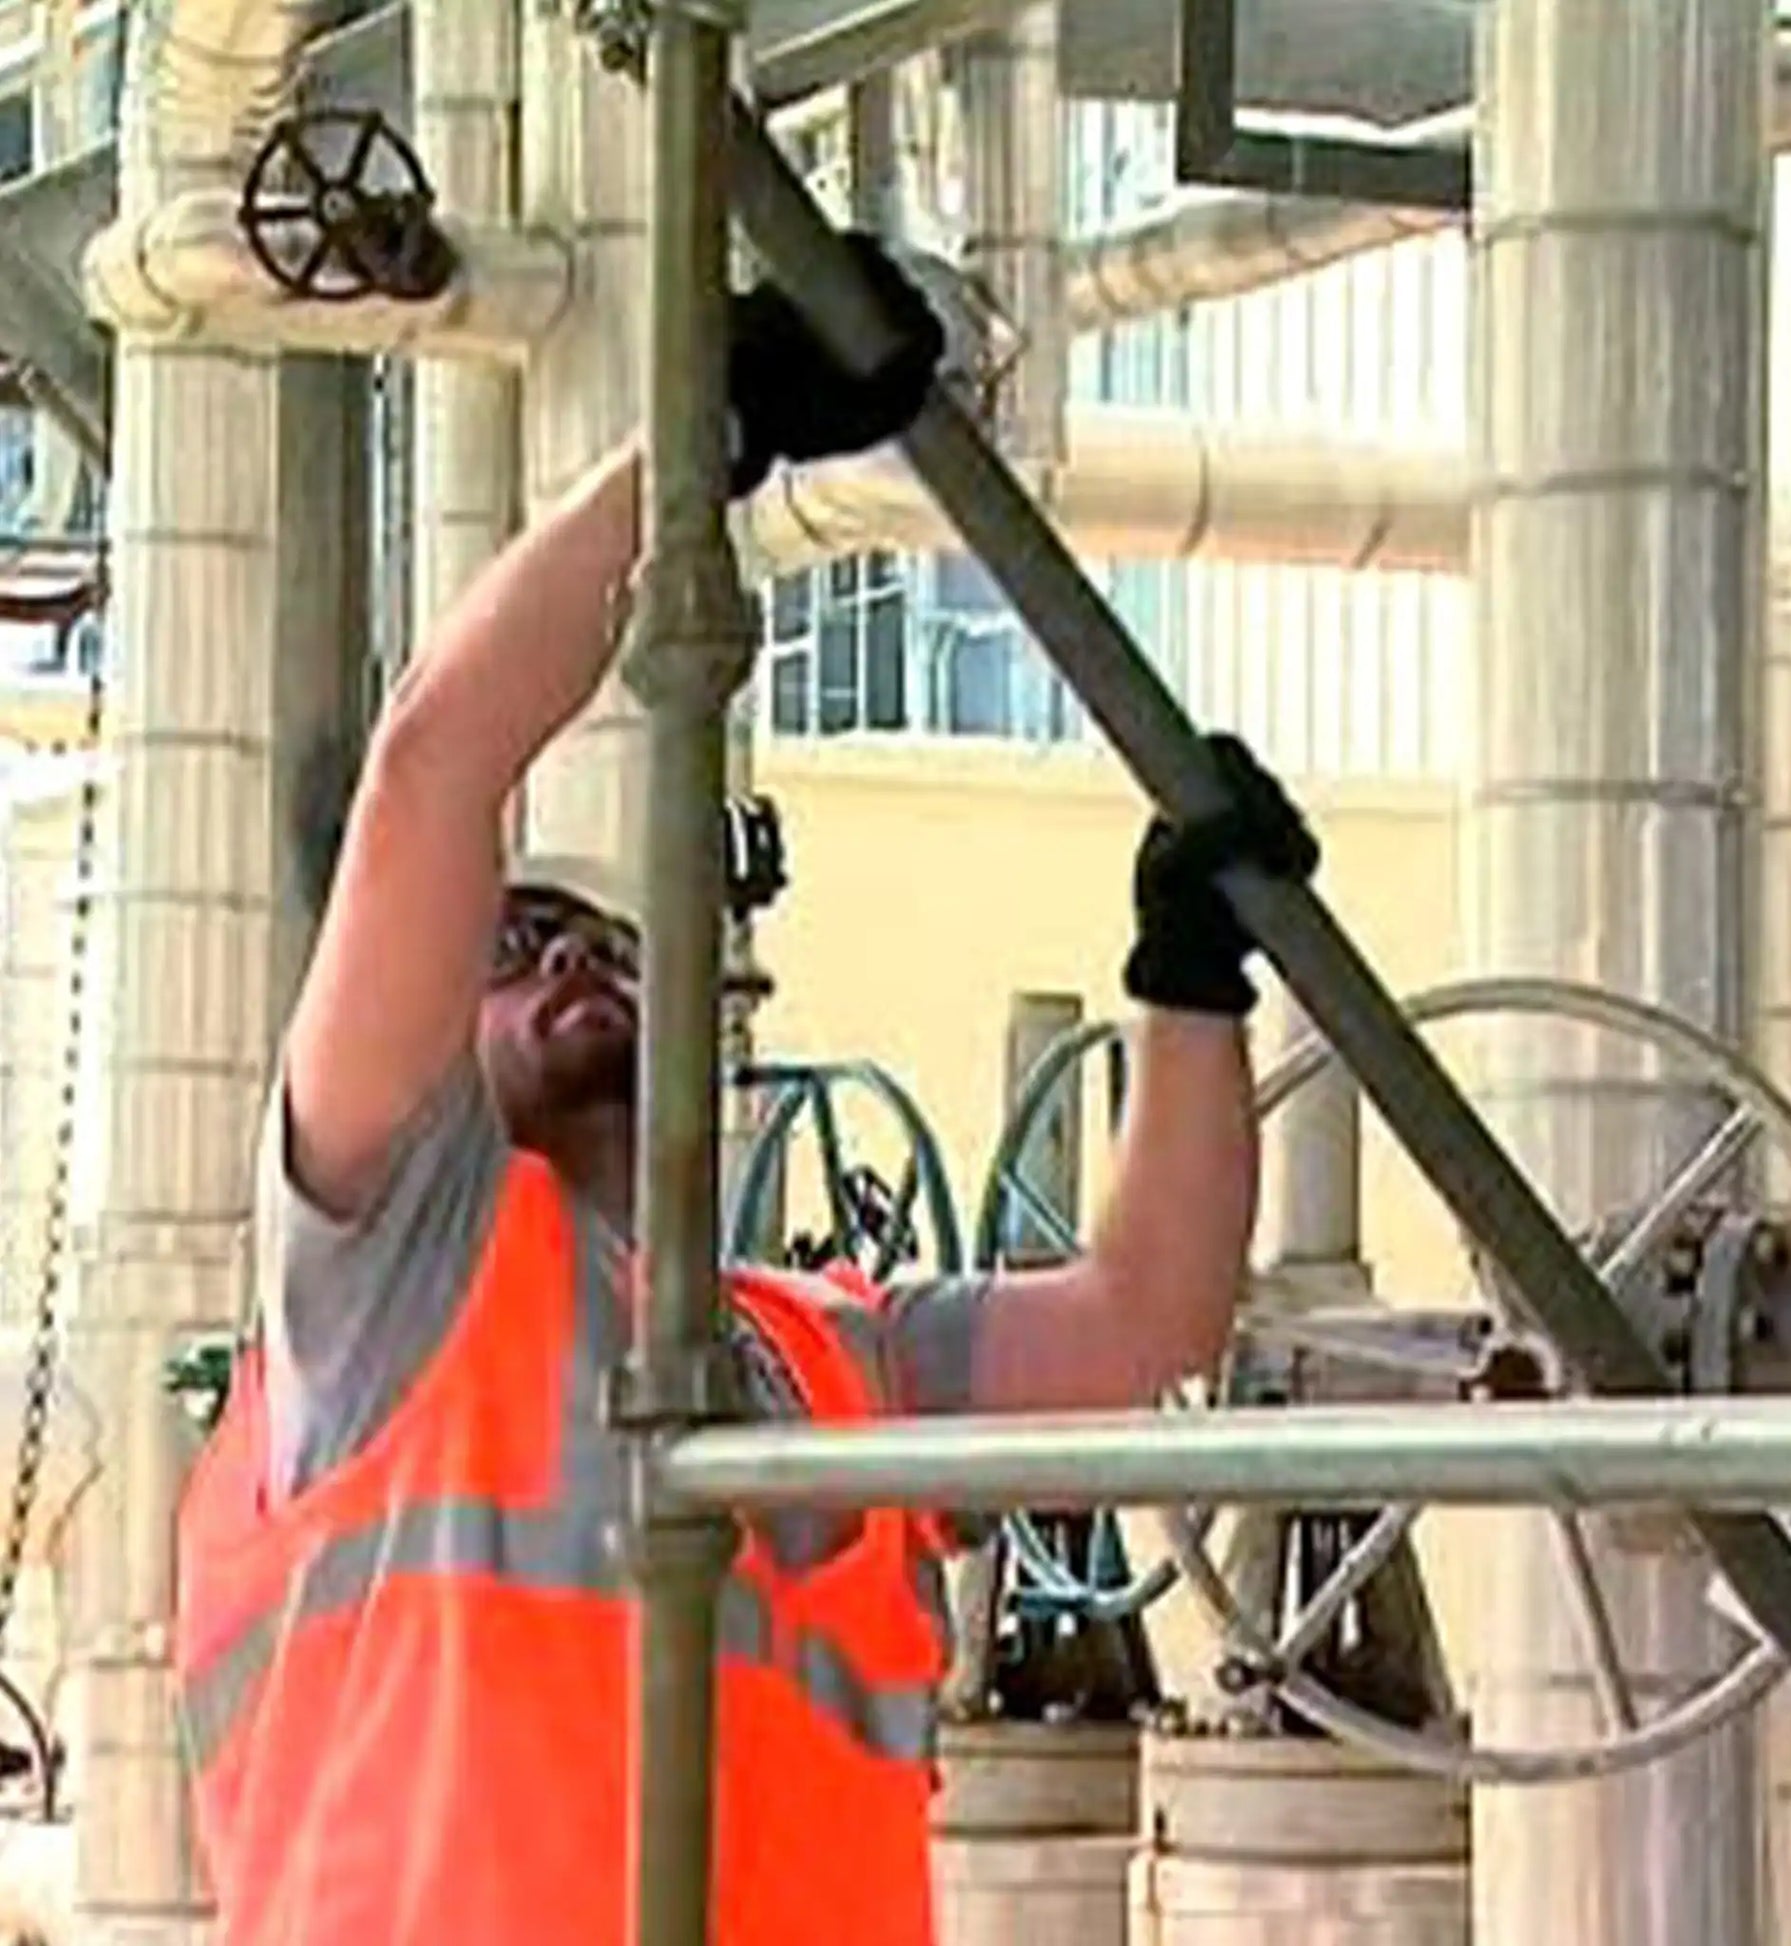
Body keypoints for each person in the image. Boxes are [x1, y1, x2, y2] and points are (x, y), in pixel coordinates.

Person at [171, 247, 1316, 1946]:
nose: (570, 962)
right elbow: (435, 763)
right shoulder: (387, 1271)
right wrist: (696, 442)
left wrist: (1191, 982)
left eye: (607, 940)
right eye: (511, 942)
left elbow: (1147, 1314)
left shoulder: (822, 1351)